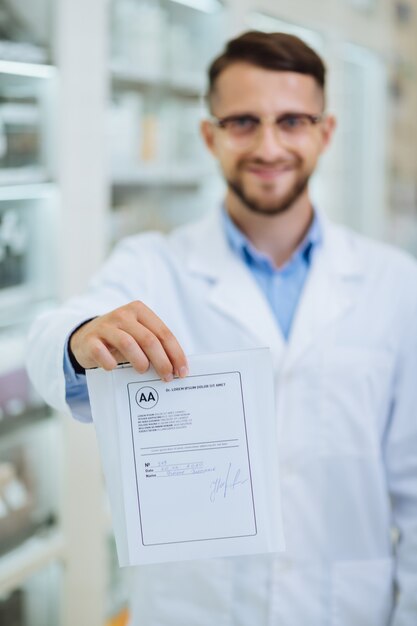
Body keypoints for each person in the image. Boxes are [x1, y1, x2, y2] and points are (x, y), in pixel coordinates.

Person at [27, 31, 417, 626]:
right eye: (242, 122)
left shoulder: (395, 285)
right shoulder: (151, 265)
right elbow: (49, 340)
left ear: (325, 132)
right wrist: (82, 338)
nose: (268, 145)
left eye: (292, 121)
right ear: (210, 136)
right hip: (194, 609)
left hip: (347, 607)